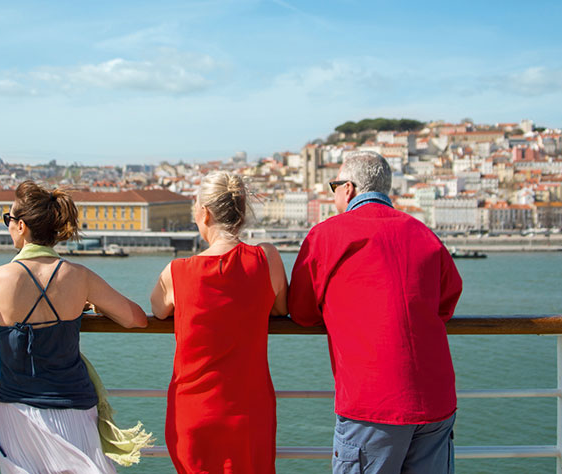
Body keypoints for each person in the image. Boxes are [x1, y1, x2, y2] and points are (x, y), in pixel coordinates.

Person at [288, 151, 463, 474]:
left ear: (349, 188)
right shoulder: (425, 234)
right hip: (436, 401)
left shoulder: (327, 235)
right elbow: (447, 302)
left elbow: (301, 311)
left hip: (374, 405)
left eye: (334, 185)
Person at [0, 181, 149, 473]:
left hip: (17, 410)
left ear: (21, 227)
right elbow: (136, 318)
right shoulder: (79, 276)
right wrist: (91, 304)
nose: (8, 226)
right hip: (74, 405)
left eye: (8, 220)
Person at [150, 171, 287, 474]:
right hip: (250, 412)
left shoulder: (177, 271)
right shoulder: (268, 259)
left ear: (205, 213)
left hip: (194, 413)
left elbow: (158, 309)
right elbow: (281, 307)